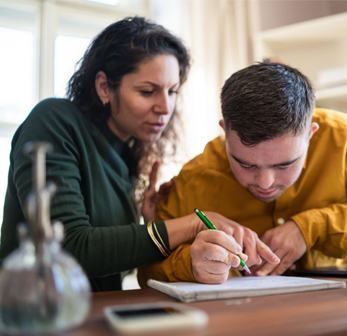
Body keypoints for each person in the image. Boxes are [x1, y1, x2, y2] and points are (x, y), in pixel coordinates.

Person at [0, 17, 278, 292]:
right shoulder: (54, 121)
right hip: (31, 315)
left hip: (93, 317)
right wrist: (190, 224)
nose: (165, 107)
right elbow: (70, 248)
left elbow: (112, 266)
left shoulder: (127, 156)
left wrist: (149, 220)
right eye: (148, 91)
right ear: (104, 87)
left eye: (172, 92)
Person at [137, 60, 347, 285]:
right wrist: (190, 265)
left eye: (284, 165)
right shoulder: (194, 179)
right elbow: (148, 271)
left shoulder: (344, 138)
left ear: (311, 134)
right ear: (226, 131)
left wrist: (310, 228)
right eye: (246, 164)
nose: (265, 183)